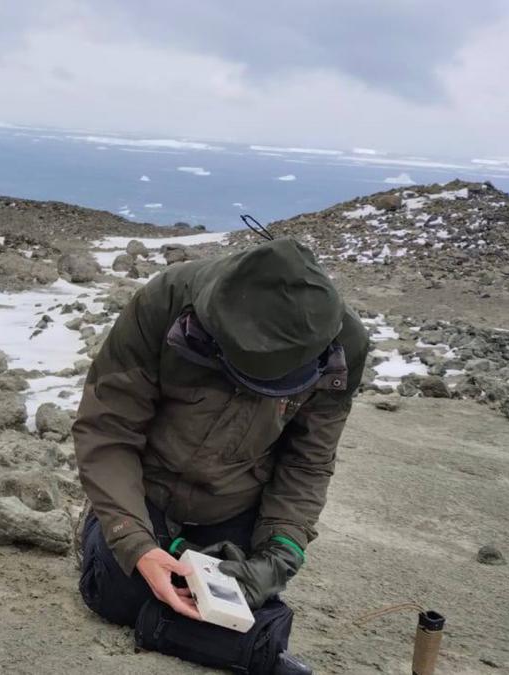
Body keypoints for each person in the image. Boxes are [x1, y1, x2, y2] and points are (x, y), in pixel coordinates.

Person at [73, 238, 369, 674]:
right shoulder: (167, 300)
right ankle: (108, 534)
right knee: (119, 589)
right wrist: (134, 540)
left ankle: (201, 589)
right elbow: (108, 427)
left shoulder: (344, 347)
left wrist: (277, 558)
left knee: (238, 601)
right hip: (144, 490)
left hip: (235, 503)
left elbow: (307, 462)